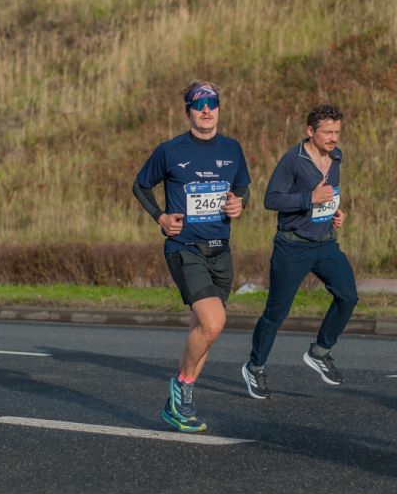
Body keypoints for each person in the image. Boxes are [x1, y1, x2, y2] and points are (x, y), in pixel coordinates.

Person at [133, 81, 251, 432]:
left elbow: (242, 185)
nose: (206, 110)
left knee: (204, 330)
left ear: (219, 109)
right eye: (198, 104)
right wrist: (161, 217)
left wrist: (238, 202)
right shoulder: (170, 150)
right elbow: (141, 185)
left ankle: (178, 407)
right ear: (187, 111)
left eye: (212, 103)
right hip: (184, 248)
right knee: (214, 323)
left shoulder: (232, 148)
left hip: (221, 251)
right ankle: (181, 386)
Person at [241, 104, 358, 399]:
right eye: (328, 132)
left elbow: (327, 195)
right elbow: (272, 200)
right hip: (292, 247)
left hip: (325, 243)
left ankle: (320, 351)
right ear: (310, 131)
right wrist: (309, 198)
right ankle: (254, 367)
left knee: (348, 296)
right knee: (276, 313)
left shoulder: (336, 156)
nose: (334, 138)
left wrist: (335, 212)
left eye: (337, 132)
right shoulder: (293, 160)